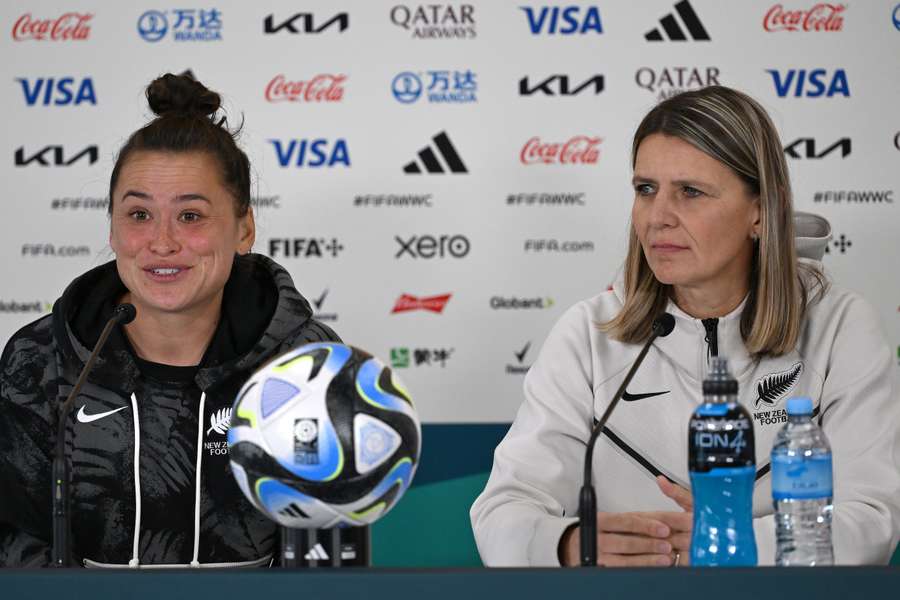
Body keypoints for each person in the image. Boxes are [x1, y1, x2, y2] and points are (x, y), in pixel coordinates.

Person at [470, 86, 900, 567]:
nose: (657, 218)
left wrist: (730, 542)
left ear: (761, 210)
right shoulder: (589, 334)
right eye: (645, 189)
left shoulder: (839, 328)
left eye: (690, 192)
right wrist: (569, 544)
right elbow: (503, 511)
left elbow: (872, 521)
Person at [0, 73, 343, 567]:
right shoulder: (41, 359)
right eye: (139, 215)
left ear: (244, 228)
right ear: (113, 227)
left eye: (191, 216)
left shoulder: (307, 362)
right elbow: (10, 538)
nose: (162, 242)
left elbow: (324, 549)